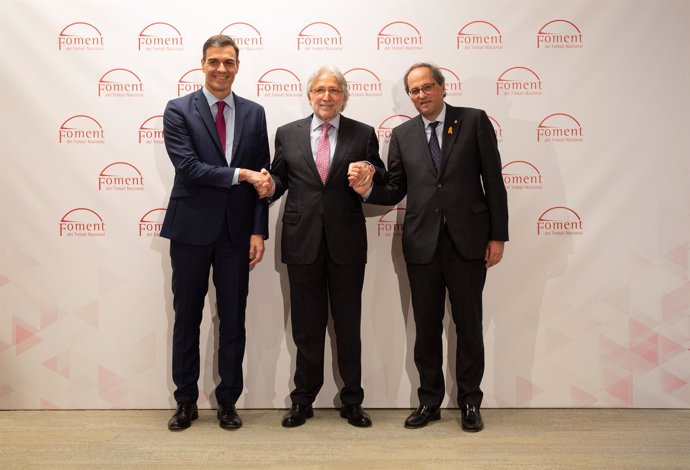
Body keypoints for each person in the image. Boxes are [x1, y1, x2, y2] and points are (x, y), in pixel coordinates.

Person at [349, 62, 508, 432]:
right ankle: (429, 401)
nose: (421, 95)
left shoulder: (473, 121)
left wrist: (497, 235)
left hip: (468, 243)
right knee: (426, 327)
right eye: (414, 90)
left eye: (427, 87)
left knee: (469, 326)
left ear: (442, 87)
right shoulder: (402, 134)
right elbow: (395, 188)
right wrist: (368, 191)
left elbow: (494, 182)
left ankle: (470, 402)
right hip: (422, 245)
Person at [261, 66, 385, 428]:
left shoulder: (363, 134)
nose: (326, 96)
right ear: (309, 95)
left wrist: (368, 175)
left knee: (349, 326)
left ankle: (353, 401)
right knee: (306, 328)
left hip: (347, 244)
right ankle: (302, 400)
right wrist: (270, 188)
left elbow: (377, 174)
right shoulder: (287, 133)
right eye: (319, 90)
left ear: (344, 96)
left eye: (334, 90)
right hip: (302, 244)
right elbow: (281, 177)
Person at [160, 35, 270, 431]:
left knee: (233, 319)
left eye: (228, 62)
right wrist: (238, 174)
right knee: (187, 318)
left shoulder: (255, 113)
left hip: (236, 234)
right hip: (190, 230)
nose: (221, 69)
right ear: (202, 64)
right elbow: (188, 166)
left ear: (237, 66)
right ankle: (185, 401)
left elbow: (264, 179)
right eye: (213, 61)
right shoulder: (178, 110)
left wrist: (259, 231)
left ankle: (228, 401)